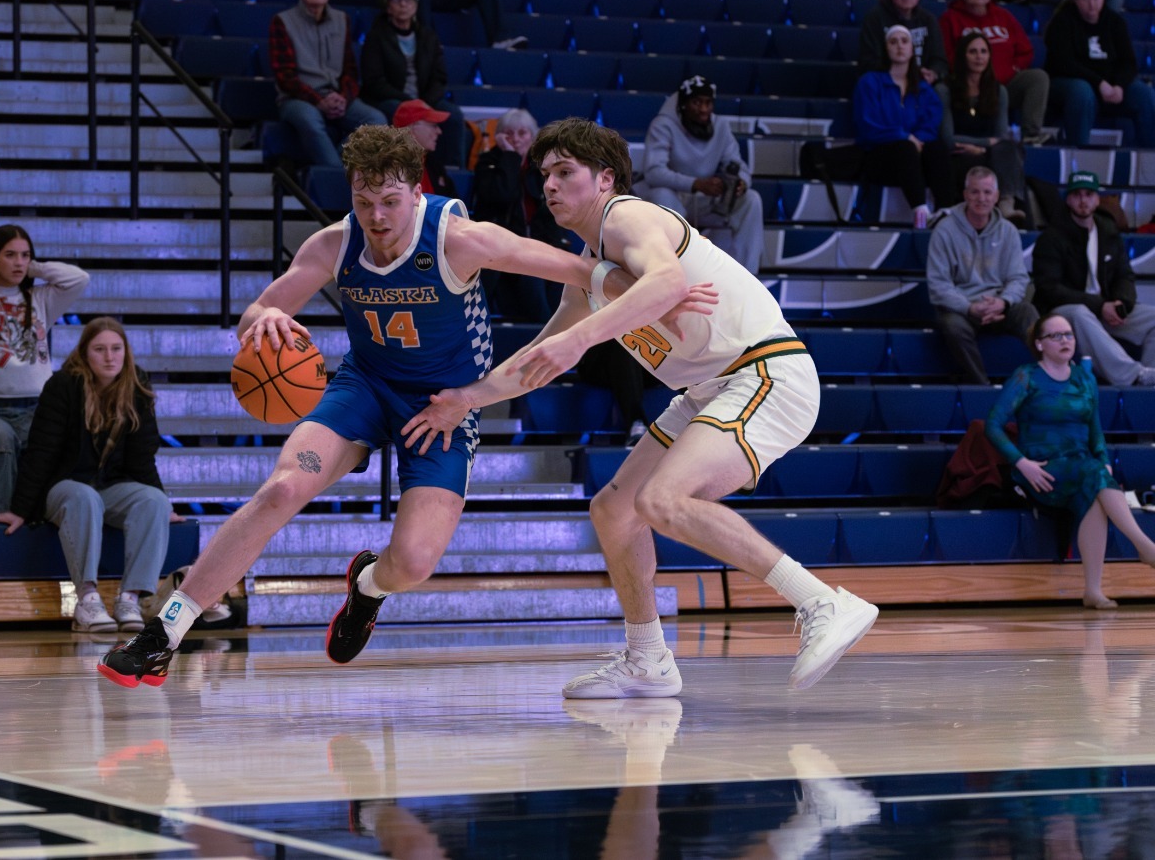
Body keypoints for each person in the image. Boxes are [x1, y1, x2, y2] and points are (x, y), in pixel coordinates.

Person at [97, 124, 712, 689]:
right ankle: (165, 632)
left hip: (444, 404)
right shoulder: (334, 244)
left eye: (389, 203)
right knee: (282, 489)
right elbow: (257, 310)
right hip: (364, 387)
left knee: (413, 562)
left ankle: (366, 588)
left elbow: (578, 268)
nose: (377, 217)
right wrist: (266, 320)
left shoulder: (461, 238)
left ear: (414, 192)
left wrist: (658, 295)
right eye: (364, 203)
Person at [400, 118, 881, 699]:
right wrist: (467, 400)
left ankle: (822, 602)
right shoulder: (587, 270)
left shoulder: (627, 216)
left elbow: (665, 281)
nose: (550, 185)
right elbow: (539, 357)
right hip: (712, 387)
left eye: (564, 172)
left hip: (765, 371)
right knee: (614, 511)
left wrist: (580, 339)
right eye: (545, 175)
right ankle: (648, 657)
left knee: (662, 500)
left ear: (604, 179)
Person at [0, 317, 174, 634]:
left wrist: (165, 502)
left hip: (110, 487)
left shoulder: (136, 385)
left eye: (116, 348)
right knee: (84, 497)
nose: (110, 357)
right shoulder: (62, 386)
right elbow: (42, 451)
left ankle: (130, 598)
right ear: (85, 353)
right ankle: (87, 599)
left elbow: (143, 456)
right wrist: (20, 509)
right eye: (100, 349)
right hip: (64, 487)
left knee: (153, 501)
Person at [986, 313, 1155, 608]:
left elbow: (1095, 429)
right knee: (1093, 477)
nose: (1065, 340)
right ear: (1039, 344)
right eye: (1056, 336)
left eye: (1069, 335)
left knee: (1094, 484)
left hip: (1081, 466)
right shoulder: (1026, 376)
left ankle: (1093, 590)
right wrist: (1020, 462)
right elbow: (993, 425)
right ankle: (1146, 547)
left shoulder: (1083, 377)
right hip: (1041, 468)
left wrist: (1103, 459)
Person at [0, 225, 89, 519]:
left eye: (25, 256)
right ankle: (1, 521)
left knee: (64, 443)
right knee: (0, 438)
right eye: (10, 255)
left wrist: (32, 267)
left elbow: (79, 278)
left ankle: (47, 518)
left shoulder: (40, 299)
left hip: (34, 408)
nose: (19, 262)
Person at [1031, 171, 1155, 387]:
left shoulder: (1108, 232)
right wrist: (1100, 305)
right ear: (1068, 199)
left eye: (1088, 194)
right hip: (1062, 312)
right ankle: (1133, 376)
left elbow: (1124, 275)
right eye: (1077, 194)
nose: (1083, 200)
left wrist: (1120, 304)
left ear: (1097, 200)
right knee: (1080, 313)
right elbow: (1049, 288)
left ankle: (1151, 378)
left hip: (1103, 307)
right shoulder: (1051, 238)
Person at [926, 166, 1038, 385]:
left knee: (1028, 312)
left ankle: (1053, 381)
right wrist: (970, 307)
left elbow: (1018, 278)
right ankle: (982, 386)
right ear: (966, 194)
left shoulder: (1008, 231)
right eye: (975, 192)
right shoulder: (944, 231)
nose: (981, 198)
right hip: (963, 309)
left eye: (987, 192)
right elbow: (938, 285)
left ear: (996, 197)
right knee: (951, 325)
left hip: (999, 305)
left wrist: (1003, 302)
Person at [642, 75, 763, 275]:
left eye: (708, 103)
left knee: (751, 199)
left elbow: (737, 164)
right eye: (697, 102)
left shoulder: (720, 126)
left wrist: (741, 182)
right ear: (683, 104)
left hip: (706, 199)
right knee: (660, 194)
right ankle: (671, 272)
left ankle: (748, 276)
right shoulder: (663, 125)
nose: (704, 109)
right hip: (675, 197)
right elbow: (653, 172)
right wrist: (696, 184)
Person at [268, 0, 387, 169]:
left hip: (336, 95)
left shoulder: (342, 20)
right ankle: (335, 177)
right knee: (310, 120)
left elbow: (350, 70)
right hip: (298, 98)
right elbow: (285, 76)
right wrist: (319, 101)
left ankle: (333, 168)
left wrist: (343, 98)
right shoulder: (282, 21)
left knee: (377, 121)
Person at [850, 24, 956, 225]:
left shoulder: (925, 90)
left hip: (914, 157)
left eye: (904, 41)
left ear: (912, 49)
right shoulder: (869, 82)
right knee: (904, 147)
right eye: (893, 41)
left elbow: (930, 126)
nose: (899, 46)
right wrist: (905, 136)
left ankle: (945, 211)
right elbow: (868, 127)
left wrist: (917, 140)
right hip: (879, 157)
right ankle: (921, 211)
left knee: (936, 147)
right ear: (886, 48)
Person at [359, 0, 466, 169]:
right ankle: (400, 168)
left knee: (454, 115)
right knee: (396, 111)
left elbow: (439, 78)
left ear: (416, 5)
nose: (403, 4)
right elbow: (374, 82)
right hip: (393, 99)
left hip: (425, 100)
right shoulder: (376, 37)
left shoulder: (427, 36)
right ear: (388, 6)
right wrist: (410, 103)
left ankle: (452, 172)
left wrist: (424, 103)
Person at [939, 0, 1052, 145]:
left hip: (1005, 83)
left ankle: (1031, 134)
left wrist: (1014, 68)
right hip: (971, 87)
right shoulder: (950, 19)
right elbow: (946, 55)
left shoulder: (1003, 16)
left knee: (1038, 77)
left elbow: (1025, 50)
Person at [473, 108, 565, 323]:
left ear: (532, 137)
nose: (515, 139)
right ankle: (545, 334)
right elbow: (503, 195)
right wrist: (510, 157)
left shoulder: (544, 166)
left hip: (542, 245)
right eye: (508, 133)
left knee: (563, 278)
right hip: (501, 247)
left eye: (522, 133)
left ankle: (559, 333)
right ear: (500, 136)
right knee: (531, 278)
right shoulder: (488, 162)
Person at [1042, 0, 1155, 148]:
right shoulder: (1063, 21)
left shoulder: (1114, 21)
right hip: (1069, 82)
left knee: (1144, 94)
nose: (1092, 3)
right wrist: (1099, 83)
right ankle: (1079, 156)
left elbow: (1128, 62)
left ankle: (1150, 157)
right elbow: (1064, 63)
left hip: (1109, 85)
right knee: (1082, 92)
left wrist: (1119, 85)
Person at [941, 33, 1030, 225]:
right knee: (999, 153)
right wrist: (985, 144)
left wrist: (982, 148)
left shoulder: (999, 91)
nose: (979, 57)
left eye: (983, 51)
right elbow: (948, 138)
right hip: (957, 154)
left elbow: (1000, 137)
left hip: (989, 154)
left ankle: (1007, 203)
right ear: (962, 56)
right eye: (972, 52)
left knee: (1009, 147)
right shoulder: (945, 89)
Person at [858, 0, 949, 89]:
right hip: (886, 80)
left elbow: (939, 59)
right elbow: (868, 61)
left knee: (941, 90)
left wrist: (933, 73)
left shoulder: (928, 20)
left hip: (922, 82)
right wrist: (903, 73)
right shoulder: (874, 19)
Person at [391, 98, 456, 198]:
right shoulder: (389, 169)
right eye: (433, 126)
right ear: (411, 129)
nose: (439, 131)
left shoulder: (434, 165)